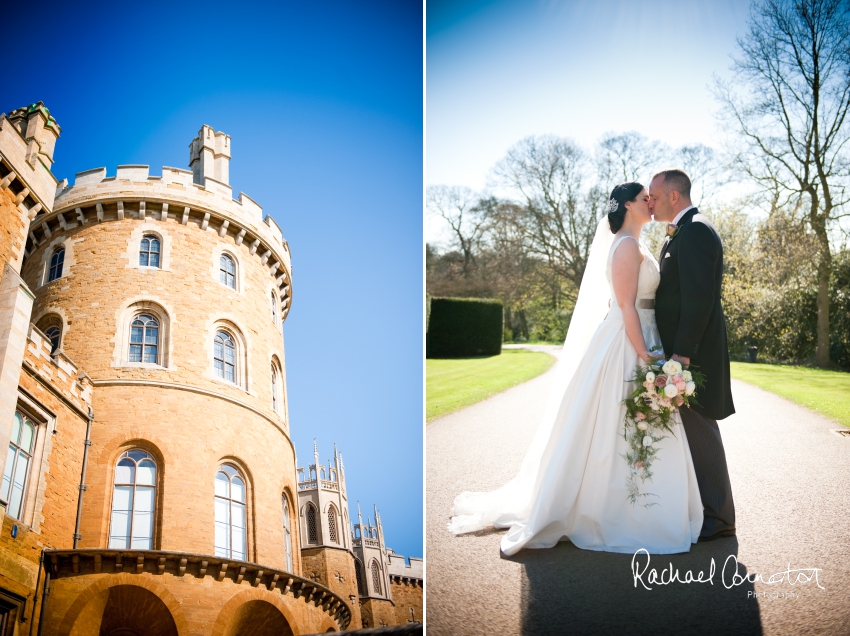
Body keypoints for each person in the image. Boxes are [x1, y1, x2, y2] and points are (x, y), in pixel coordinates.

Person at [447, 181, 703, 555]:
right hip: (629, 341)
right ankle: (609, 509)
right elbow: (626, 306)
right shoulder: (626, 247)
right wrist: (645, 354)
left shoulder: (639, 244)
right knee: (615, 422)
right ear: (628, 206)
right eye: (643, 198)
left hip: (645, 337)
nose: (651, 202)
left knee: (639, 420)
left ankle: (645, 504)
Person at [649, 169, 736, 542]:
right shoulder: (682, 230)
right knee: (693, 430)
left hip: (692, 354)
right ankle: (707, 510)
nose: (649, 202)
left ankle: (719, 518)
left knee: (701, 428)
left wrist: (682, 355)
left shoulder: (697, 229)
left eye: (654, 195)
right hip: (683, 352)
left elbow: (699, 299)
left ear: (673, 196)